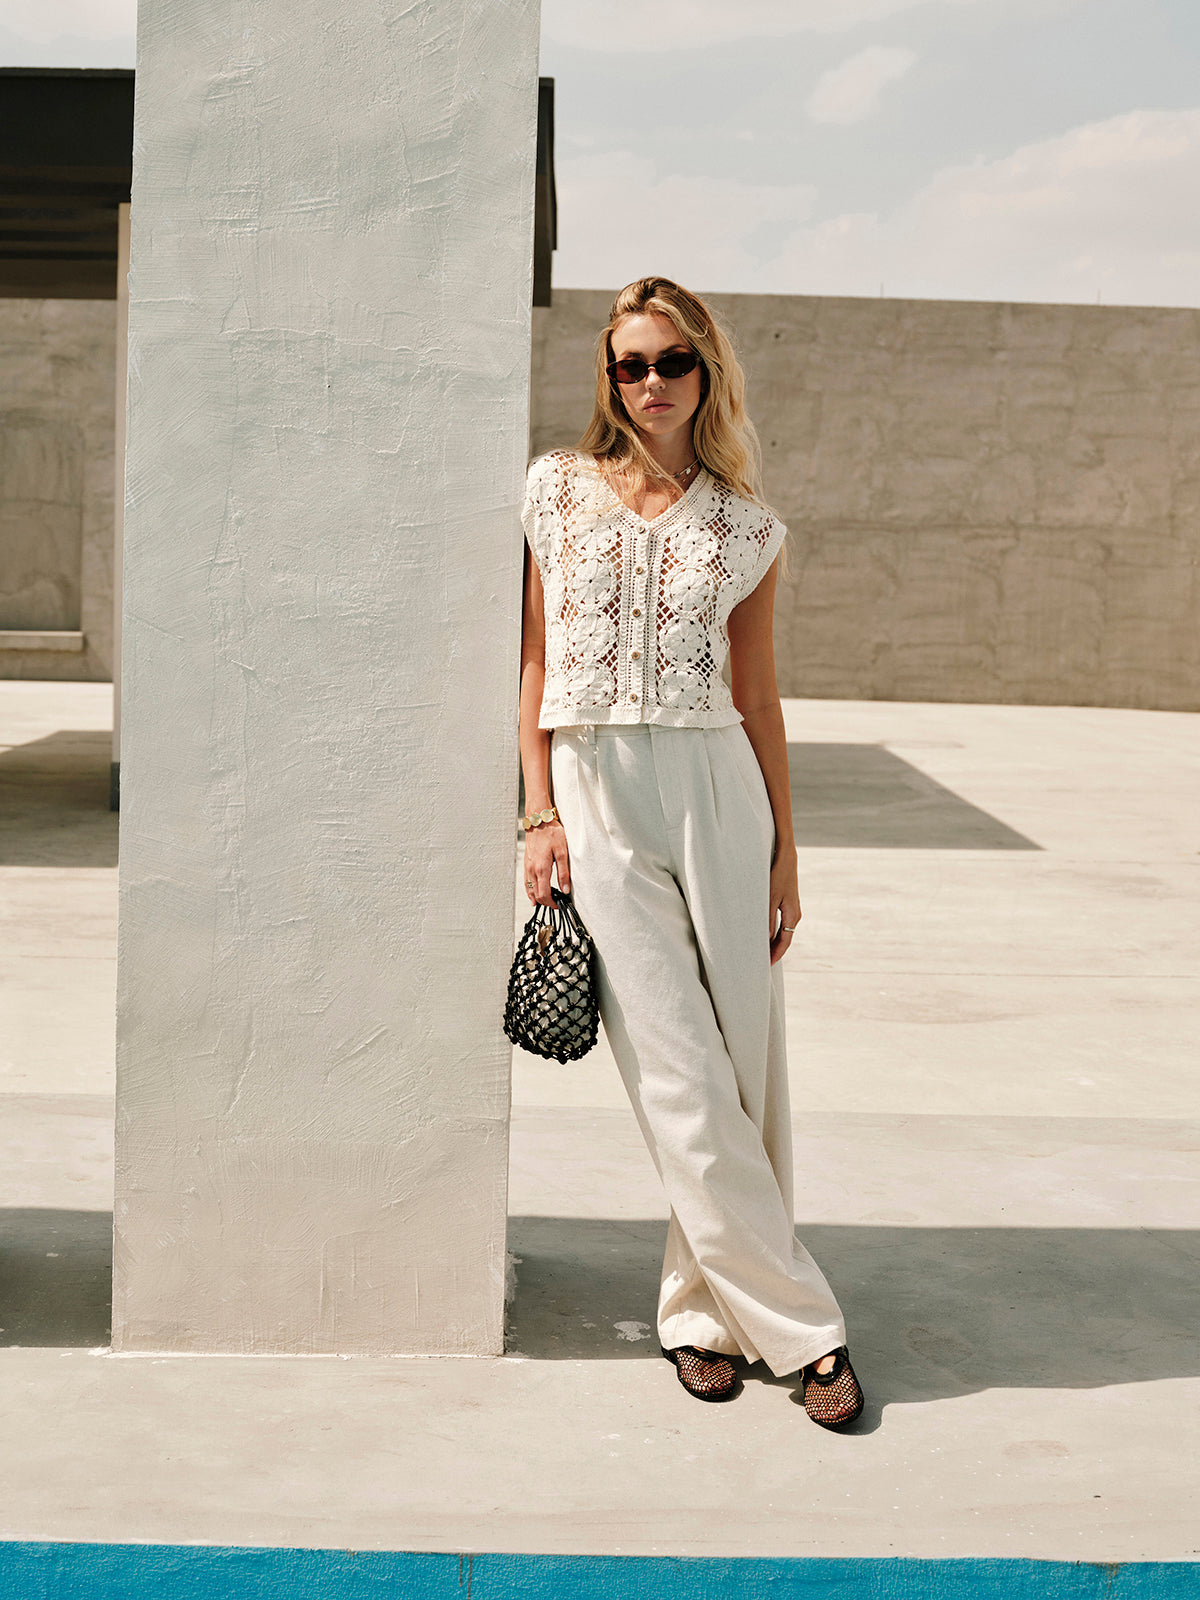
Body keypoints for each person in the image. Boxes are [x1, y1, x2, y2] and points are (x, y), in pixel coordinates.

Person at [517, 277, 863, 1427]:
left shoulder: (747, 528)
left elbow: (759, 698)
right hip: (596, 787)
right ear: (608, 377)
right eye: (631, 364)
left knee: (741, 1069)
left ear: (706, 373)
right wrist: (537, 813)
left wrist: (786, 856)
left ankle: (704, 1316)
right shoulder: (555, 490)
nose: (651, 382)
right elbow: (534, 664)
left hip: (720, 790)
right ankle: (810, 1331)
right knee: (676, 1069)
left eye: (672, 361)